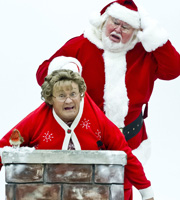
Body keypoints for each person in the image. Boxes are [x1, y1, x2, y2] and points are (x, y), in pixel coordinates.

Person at [36, 0, 180, 166]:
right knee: (84, 191)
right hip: (85, 142)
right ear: (104, 21)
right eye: (115, 22)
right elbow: (42, 74)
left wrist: (153, 31)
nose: (118, 29)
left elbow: (174, 69)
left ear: (135, 32)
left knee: (122, 191)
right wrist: (66, 69)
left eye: (126, 26)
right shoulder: (81, 45)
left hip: (129, 143)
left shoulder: (144, 54)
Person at [0, 68, 154, 200]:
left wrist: (146, 192)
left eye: (73, 94)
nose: (68, 101)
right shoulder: (37, 119)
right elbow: (4, 146)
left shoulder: (96, 118)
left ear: (80, 94)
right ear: (50, 99)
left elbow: (125, 154)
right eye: (61, 96)